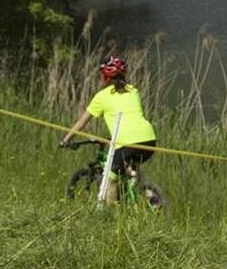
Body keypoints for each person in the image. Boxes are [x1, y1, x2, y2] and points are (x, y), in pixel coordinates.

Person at [60, 56, 158, 203]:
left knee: (110, 181)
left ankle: (111, 217)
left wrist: (66, 140)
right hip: (149, 139)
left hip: (127, 141)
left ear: (105, 76)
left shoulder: (102, 97)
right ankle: (155, 202)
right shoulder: (133, 91)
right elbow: (129, 118)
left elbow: (82, 122)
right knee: (133, 173)